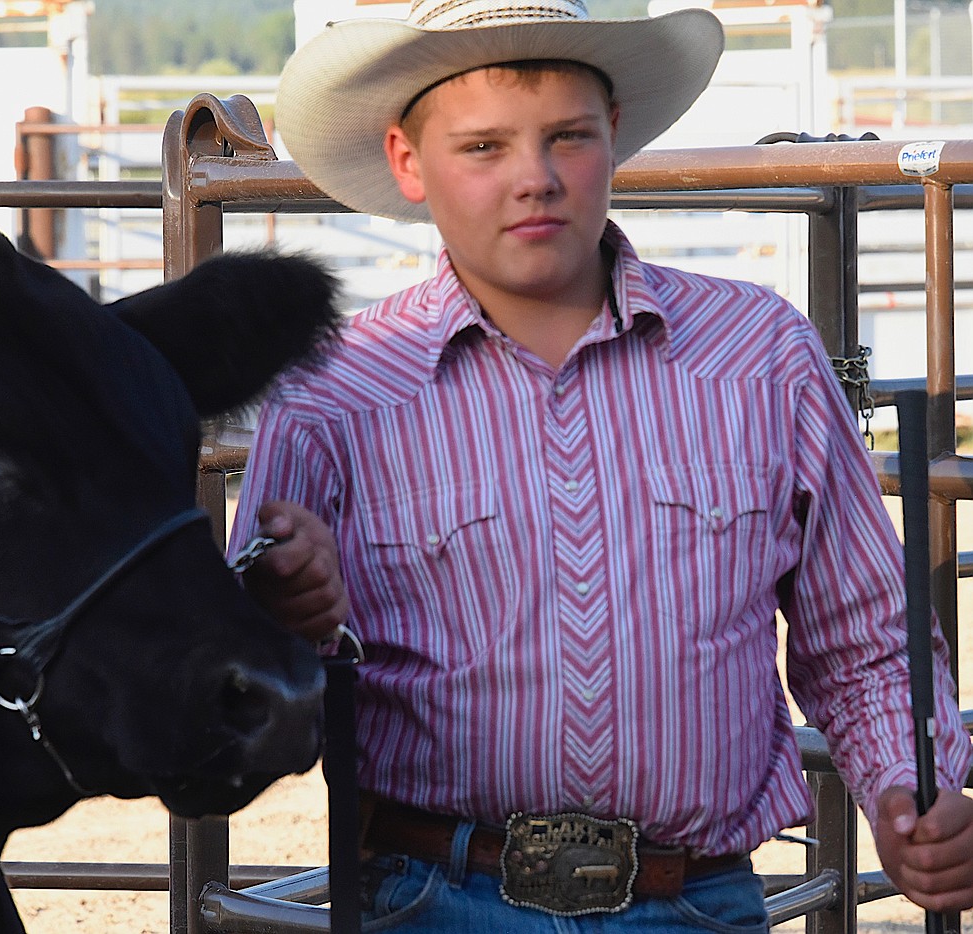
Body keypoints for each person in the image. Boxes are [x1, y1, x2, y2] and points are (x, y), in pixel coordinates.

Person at [228, 0, 973, 929]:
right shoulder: (333, 391)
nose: (535, 178)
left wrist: (907, 784)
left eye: (568, 137)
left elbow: (863, 633)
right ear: (408, 163)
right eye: (485, 148)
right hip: (430, 896)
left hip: (692, 893)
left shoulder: (759, 356)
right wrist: (288, 615)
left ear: (613, 135)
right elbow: (241, 683)